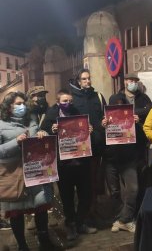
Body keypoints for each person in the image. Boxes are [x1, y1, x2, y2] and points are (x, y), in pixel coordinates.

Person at [0, 91, 59, 250]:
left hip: (36, 171)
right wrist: (15, 143)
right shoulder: (1, 125)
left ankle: (44, 240)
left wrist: (43, 134)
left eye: (23, 104)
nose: (22, 106)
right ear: (9, 107)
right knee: (16, 212)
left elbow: (40, 138)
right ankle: (22, 245)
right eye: (18, 104)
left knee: (41, 208)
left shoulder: (32, 120)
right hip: (15, 174)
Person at [41, 89, 96, 240]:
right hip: (63, 165)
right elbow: (42, 134)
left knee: (86, 194)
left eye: (70, 101)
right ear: (58, 102)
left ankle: (80, 222)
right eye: (65, 101)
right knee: (67, 197)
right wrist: (50, 131)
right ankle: (70, 224)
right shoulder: (51, 116)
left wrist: (89, 129)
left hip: (81, 162)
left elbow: (85, 130)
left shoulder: (77, 112)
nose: (68, 104)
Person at [102, 73, 152, 233]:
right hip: (112, 154)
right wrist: (103, 124)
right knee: (115, 191)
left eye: (135, 81)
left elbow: (150, 110)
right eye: (130, 81)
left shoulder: (143, 97)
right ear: (125, 82)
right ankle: (121, 218)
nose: (133, 83)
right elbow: (107, 121)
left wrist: (136, 116)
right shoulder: (115, 98)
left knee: (133, 188)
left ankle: (125, 219)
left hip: (133, 152)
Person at [69, 68, 106, 222]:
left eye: (89, 78)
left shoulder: (98, 96)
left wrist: (104, 123)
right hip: (80, 148)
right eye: (84, 79)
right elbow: (68, 121)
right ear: (78, 81)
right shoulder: (72, 99)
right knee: (84, 181)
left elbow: (106, 117)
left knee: (95, 179)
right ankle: (85, 211)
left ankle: (93, 208)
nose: (87, 81)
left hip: (97, 145)